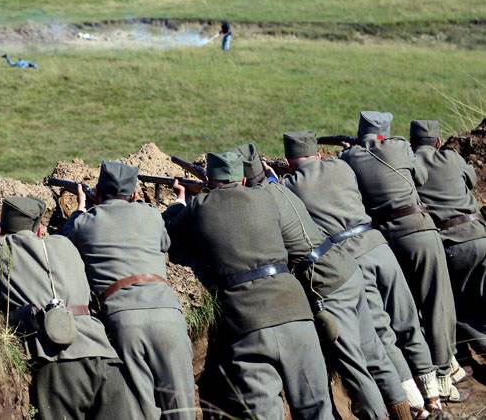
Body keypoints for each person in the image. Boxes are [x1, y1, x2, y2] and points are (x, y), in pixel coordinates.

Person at [235, 143, 411, 420]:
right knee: (375, 353)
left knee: (354, 365)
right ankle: (404, 413)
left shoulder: (262, 200)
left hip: (325, 281)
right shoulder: (280, 187)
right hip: (344, 267)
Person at [281, 131, 442, 416]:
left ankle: (415, 406)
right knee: (407, 321)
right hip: (378, 245)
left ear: (289, 161)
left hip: (350, 258)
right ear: (318, 153)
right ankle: (433, 394)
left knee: (382, 333)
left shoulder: (289, 185)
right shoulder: (342, 165)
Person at [165, 151, 332, 420]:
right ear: (242, 179)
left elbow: (172, 228)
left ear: (209, 179)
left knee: (263, 413)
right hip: (294, 309)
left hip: (246, 319)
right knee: (316, 408)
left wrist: (179, 201)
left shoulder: (200, 206)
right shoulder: (267, 197)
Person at [0, 196, 137, 419]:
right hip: (104, 354)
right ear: (39, 230)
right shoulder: (65, 244)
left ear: (0, 229)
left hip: (58, 361)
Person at [342, 111, 462, 402]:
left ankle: (423, 374)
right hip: (420, 230)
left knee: (406, 308)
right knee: (437, 301)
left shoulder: (350, 159)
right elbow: (419, 176)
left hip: (387, 240)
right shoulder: (398, 146)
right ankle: (444, 374)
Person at [63, 161, 195, 419]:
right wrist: (179, 201)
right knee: (183, 409)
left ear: (98, 194)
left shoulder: (85, 223)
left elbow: (67, 236)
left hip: (124, 320)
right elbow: (163, 242)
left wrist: (79, 209)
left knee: (142, 409)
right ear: (134, 194)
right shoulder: (152, 216)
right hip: (168, 314)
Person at [411, 120, 486, 362]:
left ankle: (471, 353)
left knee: (462, 307)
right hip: (481, 234)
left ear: (412, 144)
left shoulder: (411, 166)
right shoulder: (452, 158)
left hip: (453, 243)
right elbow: (471, 180)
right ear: (439, 142)